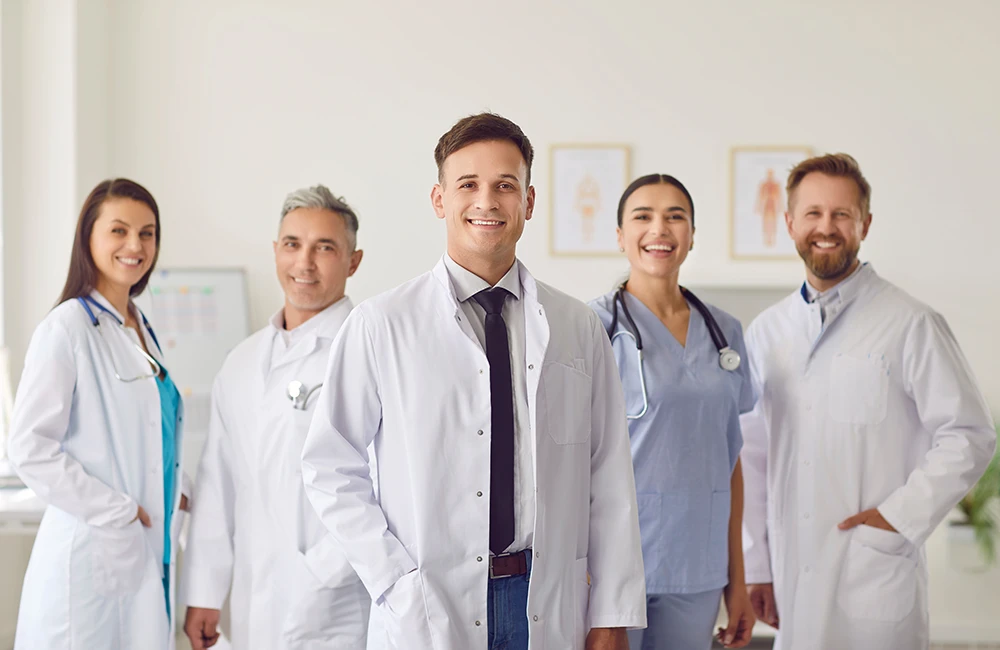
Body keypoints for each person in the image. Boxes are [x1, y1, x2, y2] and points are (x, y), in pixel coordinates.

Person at [301, 113, 646, 650]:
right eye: (468, 185)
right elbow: (329, 465)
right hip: (429, 602)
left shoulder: (576, 326)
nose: (487, 202)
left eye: (506, 186)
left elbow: (608, 475)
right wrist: (395, 579)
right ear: (439, 199)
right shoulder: (381, 324)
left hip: (547, 598)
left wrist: (611, 612)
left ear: (528, 203)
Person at [740, 153, 997, 650]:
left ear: (866, 224)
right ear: (789, 222)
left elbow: (969, 434)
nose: (826, 227)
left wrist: (898, 516)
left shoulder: (910, 322)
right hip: (792, 572)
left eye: (842, 214)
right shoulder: (767, 331)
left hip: (873, 573)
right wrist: (757, 565)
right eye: (812, 213)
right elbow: (752, 455)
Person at [180, 185, 369, 650]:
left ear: (353, 261)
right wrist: (203, 592)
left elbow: (389, 488)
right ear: (275, 251)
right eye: (292, 244)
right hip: (251, 600)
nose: (304, 263)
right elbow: (218, 483)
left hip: (337, 600)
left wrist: (319, 573)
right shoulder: (241, 362)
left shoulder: (368, 352)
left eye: (325, 247)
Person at [7, 178, 189, 649]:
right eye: (119, 230)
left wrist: (175, 488)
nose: (135, 245)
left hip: (143, 551)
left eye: (147, 233)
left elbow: (150, 435)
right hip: (94, 554)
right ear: (88, 238)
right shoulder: (67, 327)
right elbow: (29, 448)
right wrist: (119, 512)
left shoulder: (137, 326)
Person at [590, 174, 755, 650]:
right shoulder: (591, 327)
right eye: (642, 216)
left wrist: (736, 582)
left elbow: (730, 460)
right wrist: (584, 579)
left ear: (692, 236)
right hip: (615, 570)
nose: (659, 229)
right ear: (620, 235)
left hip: (698, 568)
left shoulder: (725, 331)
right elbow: (568, 463)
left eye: (675, 216)